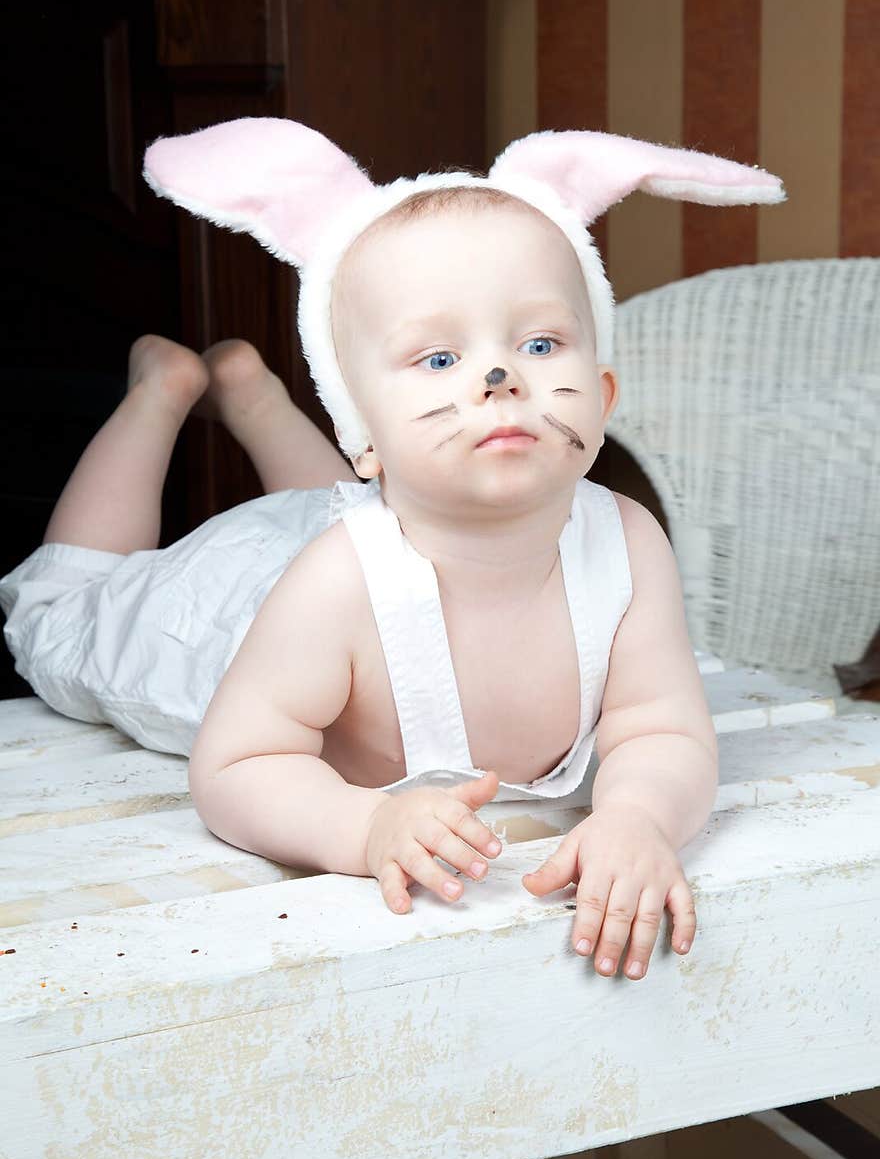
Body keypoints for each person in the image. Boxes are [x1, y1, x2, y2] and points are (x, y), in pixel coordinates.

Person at [0, 120, 785, 981]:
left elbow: (661, 726)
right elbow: (237, 765)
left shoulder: (631, 546)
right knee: (64, 608)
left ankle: (252, 396)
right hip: (221, 620)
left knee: (332, 506)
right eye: (440, 356)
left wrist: (637, 817)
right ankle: (166, 388)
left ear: (601, 399)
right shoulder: (334, 582)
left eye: (539, 343)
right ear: (360, 432)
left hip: (353, 529)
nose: (498, 379)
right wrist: (364, 827)